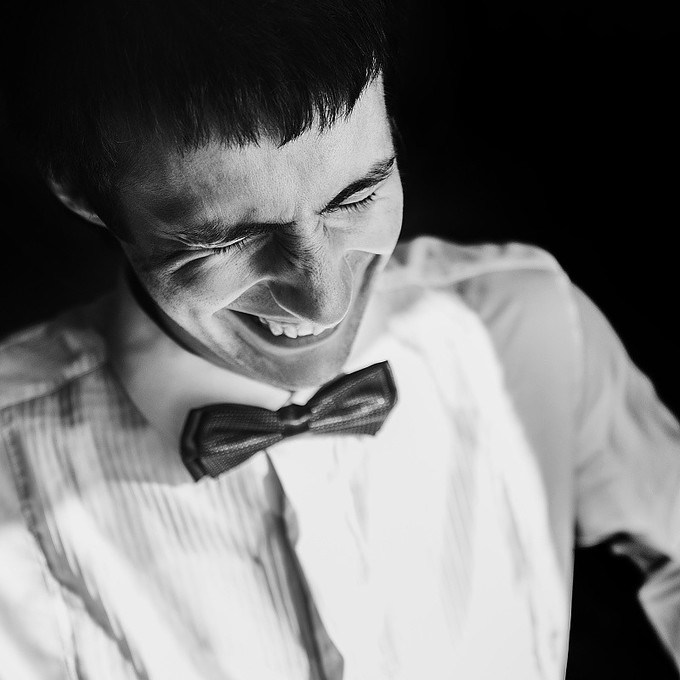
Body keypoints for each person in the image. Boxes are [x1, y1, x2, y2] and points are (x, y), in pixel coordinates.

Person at [1, 1, 679, 678]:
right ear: (80, 191)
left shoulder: (525, 322)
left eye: (356, 196)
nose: (324, 300)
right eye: (228, 240)